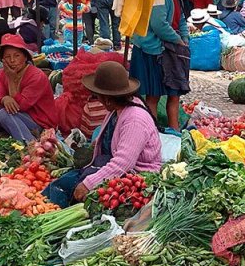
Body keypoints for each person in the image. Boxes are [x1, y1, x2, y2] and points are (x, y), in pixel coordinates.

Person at [44, 62, 163, 206]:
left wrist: (88, 184)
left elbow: (123, 163)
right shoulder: (117, 109)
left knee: (72, 189)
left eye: (98, 96)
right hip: (116, 166)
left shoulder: (134, 120)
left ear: (106, 99)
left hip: (137, 176)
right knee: (64, 181)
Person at [130, 0, 189, 132]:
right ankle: (151, 133)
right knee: (153, 95)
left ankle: (175, 132)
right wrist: (178, 40)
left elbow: (181, 18)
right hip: (153, 47)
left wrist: (185, 39)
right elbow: (158, 23)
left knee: (174, 93)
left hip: (170, 46)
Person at [0, 34, 58, 142]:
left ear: (25, 57)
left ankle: (29, 144)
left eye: (17, 56)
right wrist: (5, 99)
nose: (12, 60)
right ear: (3, 60)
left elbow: (21, 106)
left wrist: (11, 79)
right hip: (18, 116)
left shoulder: (36, 76)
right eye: (8, 57)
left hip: (40, 122)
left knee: (3, 114)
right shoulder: (2, 73)